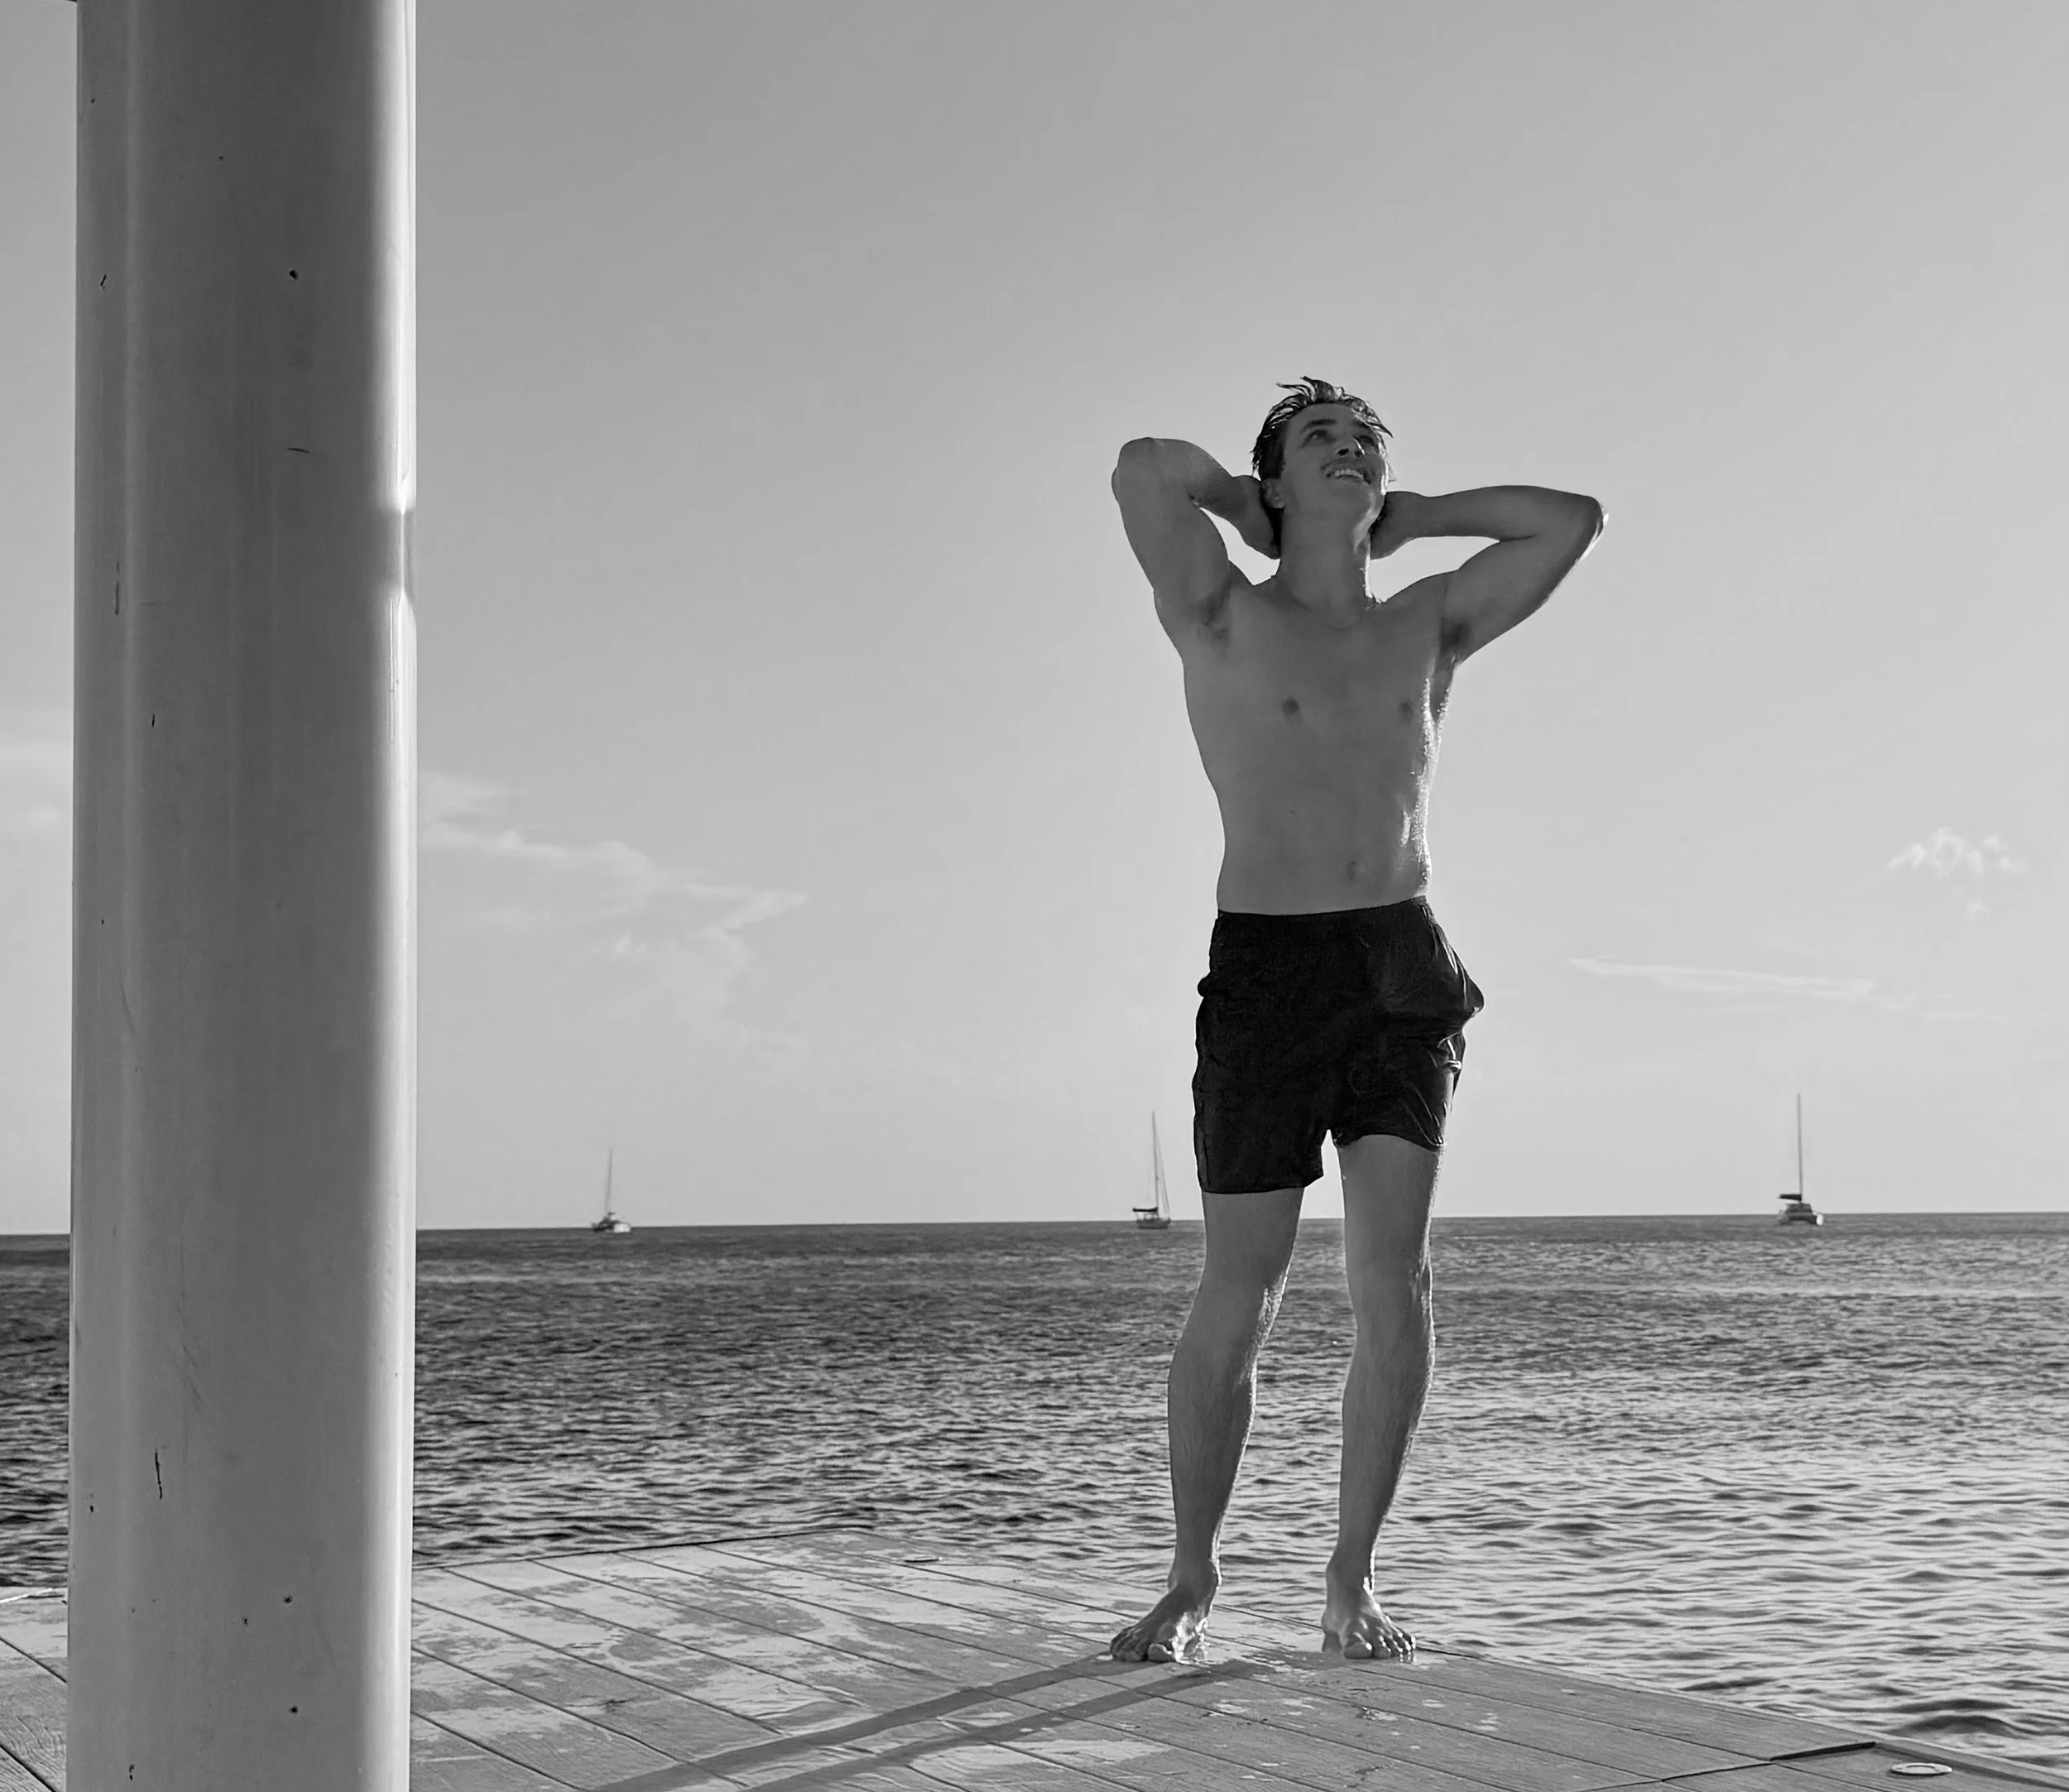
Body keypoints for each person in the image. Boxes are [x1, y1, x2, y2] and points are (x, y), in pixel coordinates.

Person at [1106, 377, 1603, 1664]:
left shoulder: (1429, 625)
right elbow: (1144, 467)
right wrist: (1252, 506)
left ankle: (1350, 1576)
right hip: (1268, 971)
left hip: (1399, 962)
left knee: (1398, 1280)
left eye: (1366, 444)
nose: (1348, 451)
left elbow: (1571, 520)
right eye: (1320, 440)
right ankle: (1191, 1576)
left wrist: (1417, 511)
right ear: (1277, 480)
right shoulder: (1219, 609)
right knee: (1244, 1290)